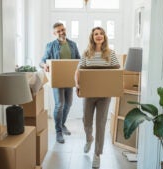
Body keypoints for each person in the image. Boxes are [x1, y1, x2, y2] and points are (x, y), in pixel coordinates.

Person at [74, 27, 120, 168]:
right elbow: (78, 71)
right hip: (89, 94)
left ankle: (97, 154)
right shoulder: (87, 53)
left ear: (104, 37)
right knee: (87, 120)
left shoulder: (111, 54)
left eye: (101, 34)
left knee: (100, 124)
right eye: (96, 34)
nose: (99, 36)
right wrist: (77, 85)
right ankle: (89, 138)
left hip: (104, 96)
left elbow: (117, 73)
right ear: (92, 37)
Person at [40, 22, 81, 143]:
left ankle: (62, 125)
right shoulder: (50, 45)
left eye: (62, 30)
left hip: (70, 79)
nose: (61, 32)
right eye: (58, 31)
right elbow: (42, 61)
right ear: (54, 33)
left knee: (68, 104)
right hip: (57, 79)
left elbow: (78, 60)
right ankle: (58, 131)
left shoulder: (73, 45)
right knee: (59, 105)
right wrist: (45, 65)